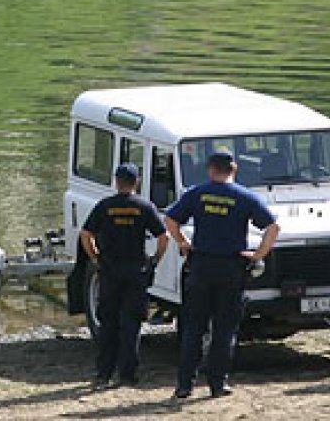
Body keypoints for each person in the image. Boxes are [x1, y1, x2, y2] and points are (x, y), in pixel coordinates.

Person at [166, 151, 280, 399]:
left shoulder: (197, 193)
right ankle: (218, 384)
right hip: (231, 268)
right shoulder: (245, 197)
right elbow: (273, 227)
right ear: (234, 169)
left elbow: (170, 219)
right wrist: (258, 255)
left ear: (210, 169)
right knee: (224, 329)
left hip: (201, 267)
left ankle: (185, 384)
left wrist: (184, 243)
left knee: (194, 328)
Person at [80, 163, 168, 388]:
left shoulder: (105, 206)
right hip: (136, 273)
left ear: (116, 181)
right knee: (132, 324)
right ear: (137, 181)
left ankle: (104, 373)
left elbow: (86, 234)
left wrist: (94, 256)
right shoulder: (144, 207)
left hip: (110, 272)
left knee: (108, 323)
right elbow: (163, 236)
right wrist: (155, 259)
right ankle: (128, 374)